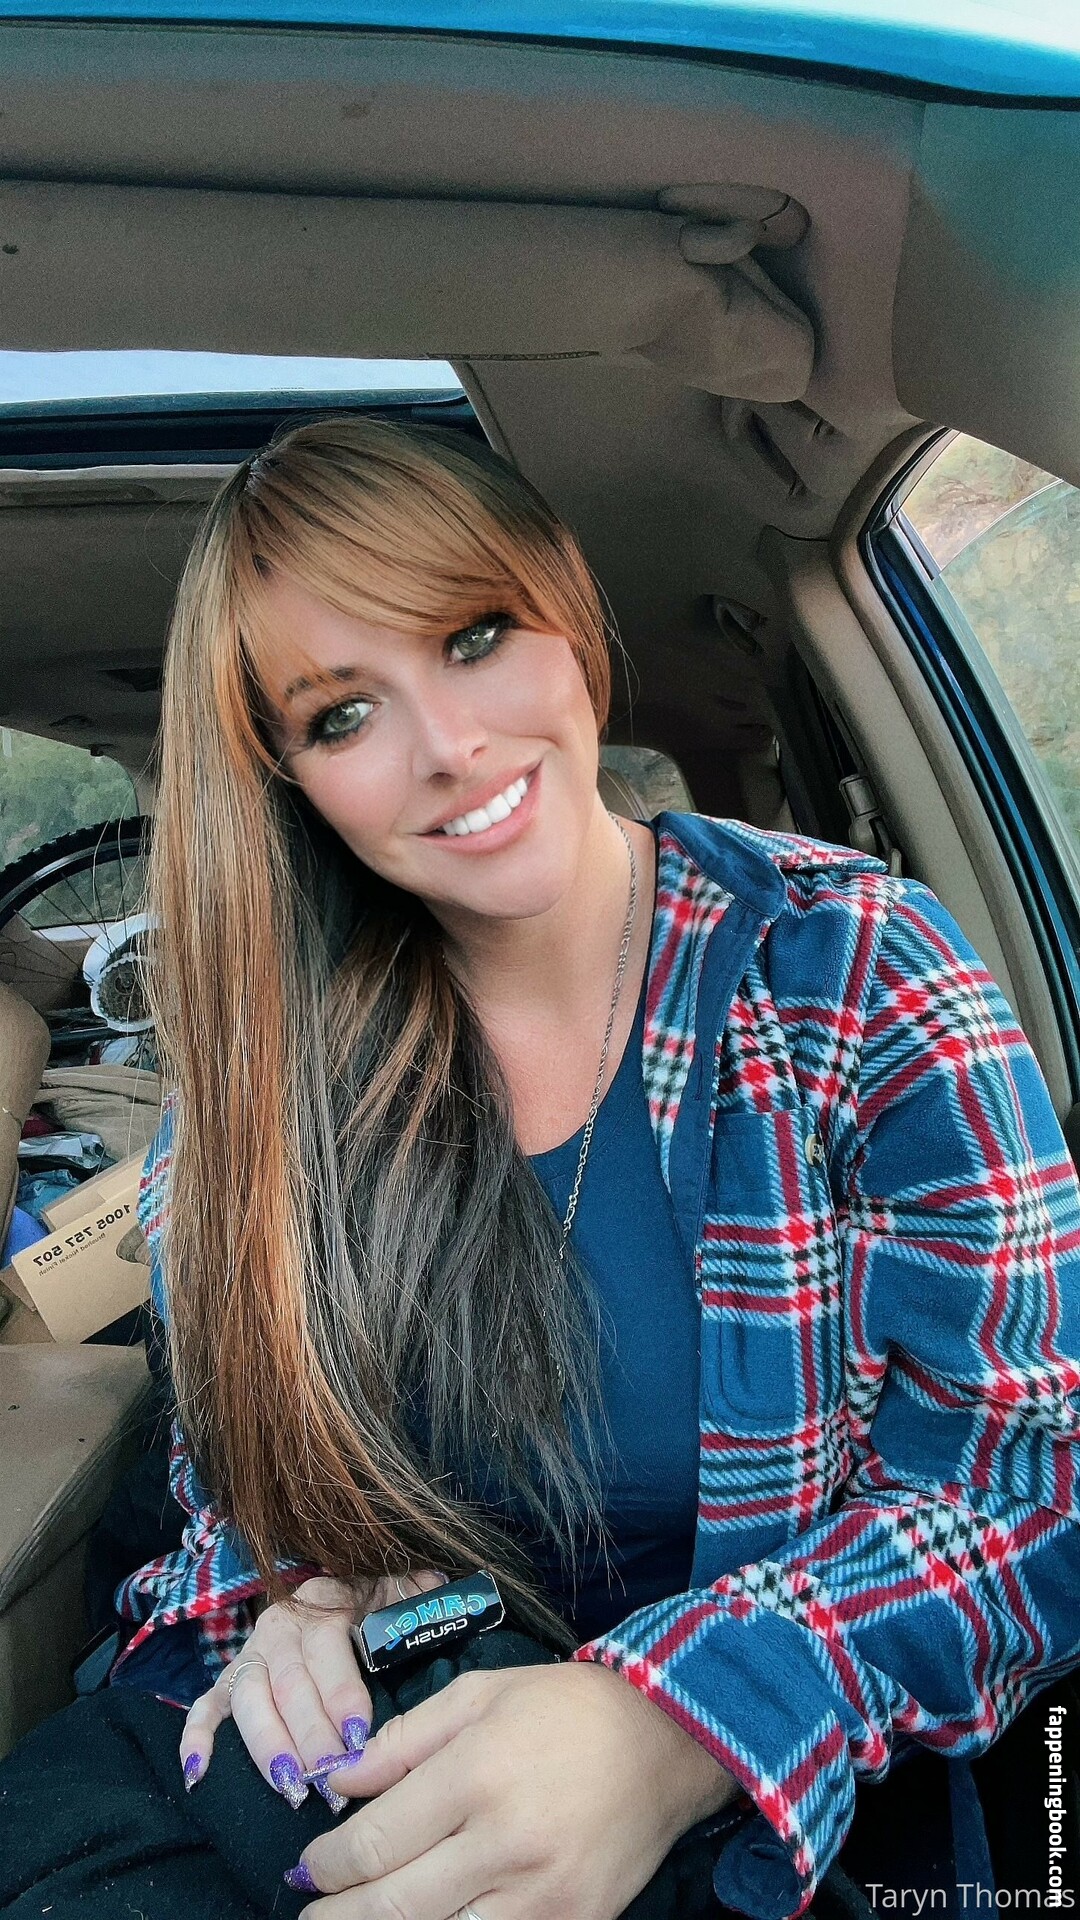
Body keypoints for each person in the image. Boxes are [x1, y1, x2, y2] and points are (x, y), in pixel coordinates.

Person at [1, 416, 1078, 1920]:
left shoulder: (849, 970)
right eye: (342, 715)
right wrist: (289, 1599)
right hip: (359, 1769)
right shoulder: (262, 1078)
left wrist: (675, 1724)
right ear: (289, 781)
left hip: (776, 1815)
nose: (448, 747)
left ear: (567, 613)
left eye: (474, 636)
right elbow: (221, 1495)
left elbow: (1032, 1495)